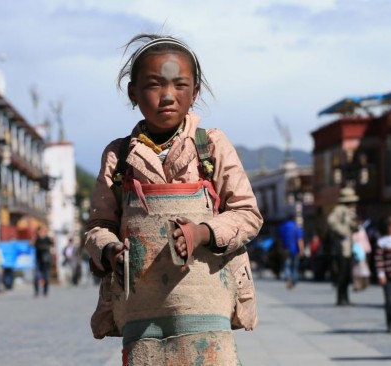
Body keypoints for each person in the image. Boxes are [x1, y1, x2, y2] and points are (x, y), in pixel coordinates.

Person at [84, 33, 263, 364]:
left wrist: (202, 233)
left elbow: (247, 214)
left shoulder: (210, 147)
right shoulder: (119, 156)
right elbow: (98, 226)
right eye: (154, 85)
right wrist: (109, 249)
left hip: (205, 308)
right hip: (142, 315)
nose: (167, 96)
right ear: (133, 92)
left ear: (194, 92)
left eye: (179, 85)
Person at [327, 187, 359, 306]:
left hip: (348, 247)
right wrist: (343, 231)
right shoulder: (339, 210)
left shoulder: (348, 210)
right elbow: (331, 222)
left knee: (346, 275)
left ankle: (345, 298)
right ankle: (341, 298)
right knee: (342, 274)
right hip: (341, 248)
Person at [277, 214, 304, 289]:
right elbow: (300, 240)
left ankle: (288, 279)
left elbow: (280, 239)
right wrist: (301, 250)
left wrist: (280, 248)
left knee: (287, 265)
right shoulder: (297, 227)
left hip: (286, 249)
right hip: (295, 250)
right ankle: (294, 281)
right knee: (295, 266)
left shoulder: (283, 227)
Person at [352, 217, 371, 291]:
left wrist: (367, 249)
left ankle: (364, 283)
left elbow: (365, 240)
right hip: (355, 251)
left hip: (362, 251)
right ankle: (357, 285)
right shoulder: (353, 231)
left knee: (363, 268)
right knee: (356, 269)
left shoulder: (362, 231)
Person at [33, 226, 54, 297]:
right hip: (38, 261)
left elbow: (52, 244)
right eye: (39, 231)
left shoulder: (47, 239)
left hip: (46, 261)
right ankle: (36, 292)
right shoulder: (37, 239)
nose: (40, 233)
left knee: (46, 277)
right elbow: (31, 244)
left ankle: (45, 292)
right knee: (36, 277)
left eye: (41, 231)